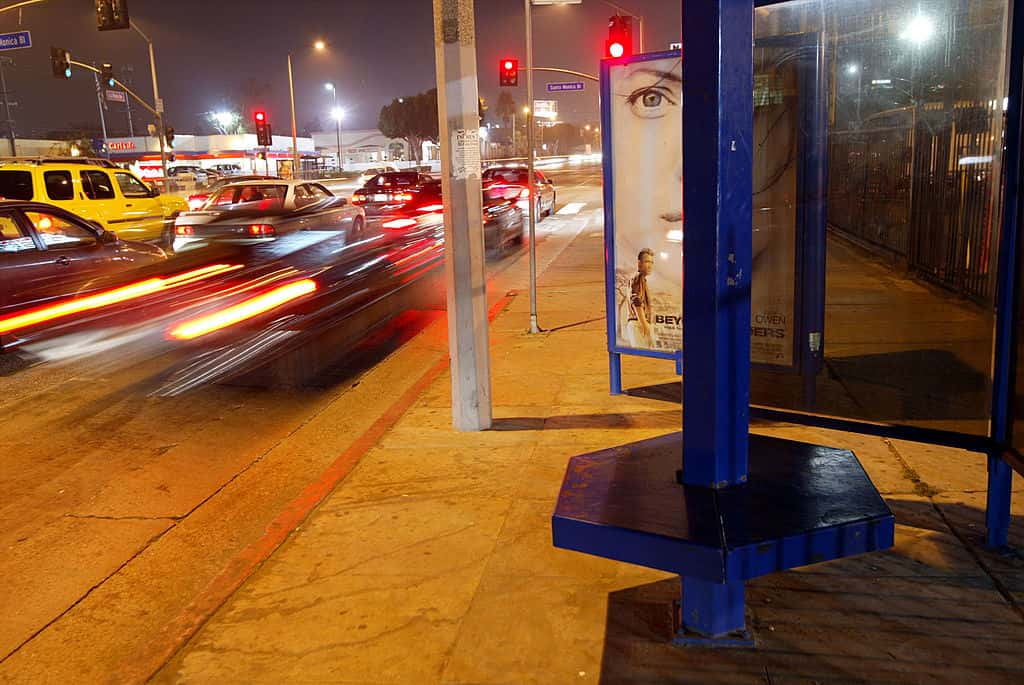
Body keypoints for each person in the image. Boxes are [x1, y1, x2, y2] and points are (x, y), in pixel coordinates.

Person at [626, 248, 655, 348]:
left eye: (652, 262)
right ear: (639, 263)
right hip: (638, 323)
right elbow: (636, 300)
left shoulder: (641, 279)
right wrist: (644, 324)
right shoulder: (638, 278)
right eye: (647, 261)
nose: (650, 265)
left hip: (638, 323)